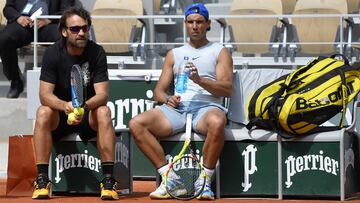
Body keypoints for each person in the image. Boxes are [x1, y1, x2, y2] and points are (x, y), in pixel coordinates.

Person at [129, 3, 233, 200]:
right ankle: (171, 178)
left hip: (207, 107)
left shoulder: (220, 51)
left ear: (208, 24)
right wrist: (168, 98)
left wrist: (200, 80)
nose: (195, 26)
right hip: (177, 109)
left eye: (200, 22)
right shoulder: (174, 54)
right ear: (185, 24)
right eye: (191, 22)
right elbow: (158, 90)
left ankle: (204, 182)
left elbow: (227, 89)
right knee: (136, 123)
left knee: (218, 122)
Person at [31, 7, 118, 200]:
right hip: (61, 115)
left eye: (85, 28)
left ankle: (109, 180)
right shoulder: (53, 53)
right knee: (43, 112)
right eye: (75, 29)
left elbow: (102, 95)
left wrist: (83, 107)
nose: (81, 33)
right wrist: (65, 106)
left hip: (87, 113)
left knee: (104, 111)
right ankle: (43, 179)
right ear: (64, 31)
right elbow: (44, 95)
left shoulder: (97, 52)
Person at [0, 0, 78, 98]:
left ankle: (60, 84)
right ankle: (16, 81)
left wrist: (48, 20)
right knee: (4, 40)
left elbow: (67, 10)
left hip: (49, 24)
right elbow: (8, 8)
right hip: (23, 24)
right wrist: (18, 18)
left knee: (64, 38)